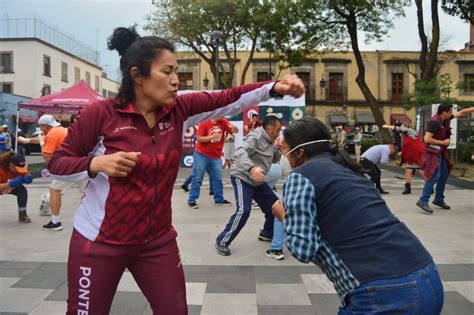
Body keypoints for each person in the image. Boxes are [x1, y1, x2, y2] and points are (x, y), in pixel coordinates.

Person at [46, 26, 305, 314]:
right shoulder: (101, 114)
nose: (175, 81)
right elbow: (57, 164)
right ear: (138, 76)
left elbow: (228, 97)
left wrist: (273, 87)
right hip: (99, 241)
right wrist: (95, 164)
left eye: (176, 72)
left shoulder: (179, 109)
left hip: (156, 241)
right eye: (167, 71)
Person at [272, 117, 443, 314]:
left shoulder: (301, 176)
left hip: (383, 293)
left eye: (284, 149)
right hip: (428, 276)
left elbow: (303, 248)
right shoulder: (350, 170)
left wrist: (284, 216)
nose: (283, 155)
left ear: (299, 152)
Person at [215, 116, 283, 256]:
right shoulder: (256, 135)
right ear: (268, 129)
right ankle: (222, 241)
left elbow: (275, 160)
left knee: (275, 206)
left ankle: (267, 233)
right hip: (242, 177)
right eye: (277, 130)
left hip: (257, 180)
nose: (278, 133)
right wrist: (252, 168)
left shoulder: (271, 140)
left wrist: (278, 150)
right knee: (244, 211)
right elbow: (240, 152)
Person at [416, 104, 474, 214]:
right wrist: (443, 142)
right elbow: (427, 139)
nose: (452, 113)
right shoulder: (435, 123)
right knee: (434, 176)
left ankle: (438, 199)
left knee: (444, 174)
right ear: (444, 112)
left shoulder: (445, 118)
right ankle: (423, 200)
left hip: (440, 153)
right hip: (432, 153)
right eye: (450, 111)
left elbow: (462, 113)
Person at [18, 114, 70, 230]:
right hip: (80, 162)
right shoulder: (60, 130)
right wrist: (26, 140)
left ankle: (55, 222)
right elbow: (44, 138)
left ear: (46, 126)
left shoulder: (52, 134)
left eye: (40, 127)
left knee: (54, 190)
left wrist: (42, 144)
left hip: (68, 165)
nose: (40, 130)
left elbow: (47, 158)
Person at [187, 117, 237, 208]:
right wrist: (212, 137)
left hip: (215, 156)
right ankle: (192, 199)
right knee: (197, 177)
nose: (223, 115)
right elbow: (199, 138)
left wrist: (234, 128)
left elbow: (235, 130)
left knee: (217, 178)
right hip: (201, 154)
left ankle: (219, 199)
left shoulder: (223, 122)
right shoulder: (204, 123)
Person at [383, 123, 424, 194]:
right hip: (411, 157)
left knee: (421, 171)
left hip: (418, 156)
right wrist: (402, 152)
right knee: (408, 170)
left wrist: (388, 126)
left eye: (401, 127)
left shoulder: (411, 131)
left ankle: (429, 186)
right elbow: (408, 146)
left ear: (406, 127)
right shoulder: (404, 137)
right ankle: (408, 188)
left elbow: (400, 129)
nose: (400, 129)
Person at [0, 152, 33, 223]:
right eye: (18, 169)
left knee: (22, 191)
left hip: (7, 186)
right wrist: (10, 184)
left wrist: (28, 178)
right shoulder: (1, 169)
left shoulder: (20, 166)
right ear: (10, 165)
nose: (20, 171)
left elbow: (26, 174)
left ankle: (22, 214)